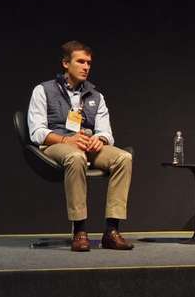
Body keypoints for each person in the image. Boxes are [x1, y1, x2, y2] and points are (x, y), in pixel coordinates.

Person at [27, 41, 134, 252]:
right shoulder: (43, 90)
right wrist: (67, 140)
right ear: (66, 63)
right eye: (80, 61)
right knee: (76, 157)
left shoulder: (96, 96)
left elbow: (106, 132)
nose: (86, 67)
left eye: (89, 63)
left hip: (88, 145)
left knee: (124, 158)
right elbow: (36, 132)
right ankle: (80, 230)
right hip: (55, 145)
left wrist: (99, 139)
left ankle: (112, 231)